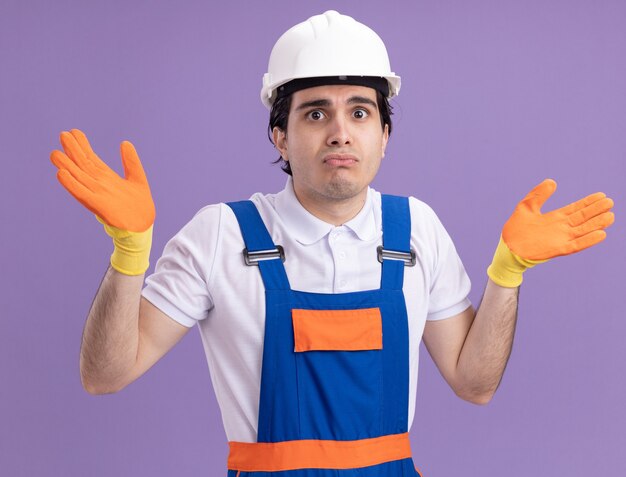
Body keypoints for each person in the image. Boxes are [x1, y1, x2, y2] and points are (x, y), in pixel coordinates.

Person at [49, 10, 614, 477]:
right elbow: (105, 375)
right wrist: (130, 254)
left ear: (384, 135)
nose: (340, 131)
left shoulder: (417, 230)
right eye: (315, 112)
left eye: (360, 112)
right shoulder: (221, 234)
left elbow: (475, 384)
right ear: (281, 136)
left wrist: (507, 274)